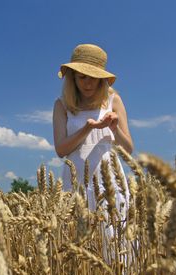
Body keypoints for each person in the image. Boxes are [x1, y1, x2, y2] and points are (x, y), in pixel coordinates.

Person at [53, 44, 134, 258]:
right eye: (81, 77)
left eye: (93, 77)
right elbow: (61, 149)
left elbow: (129, 148)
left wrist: (113, 128)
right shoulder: (62, 105)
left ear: (102, 79)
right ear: (72, 78)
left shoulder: (113, 100)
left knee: (113, 240)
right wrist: (87, 128)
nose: (87, 83)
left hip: (108, 180)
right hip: (76, 179)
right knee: (77, 243)